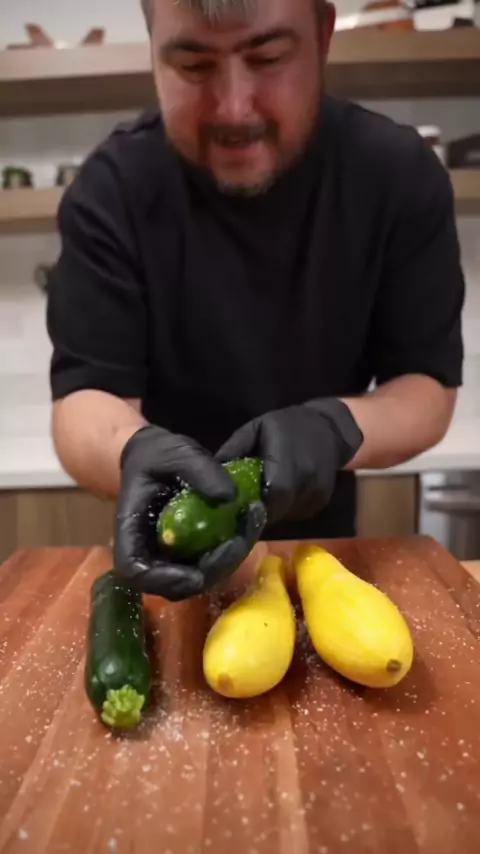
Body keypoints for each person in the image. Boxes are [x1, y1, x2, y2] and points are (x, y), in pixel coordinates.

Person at [46, 0, 465, 602]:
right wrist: (130, 452)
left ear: (322, 37)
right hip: (167, 546)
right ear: (153, 50)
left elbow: (425, 388)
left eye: (268, 58)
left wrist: (335, 427)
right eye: (194, 65)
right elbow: (85, 402)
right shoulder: (111, 190)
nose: (234, 108)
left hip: (321, 549)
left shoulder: (397, 174)